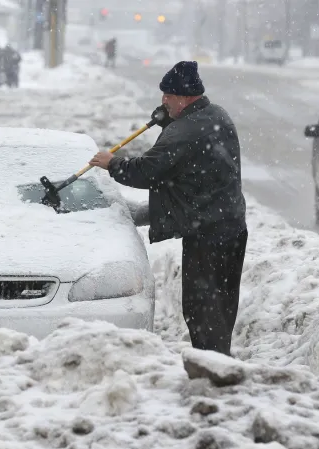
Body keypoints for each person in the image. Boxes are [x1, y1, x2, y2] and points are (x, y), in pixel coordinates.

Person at [88, 61, 248, 356]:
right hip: (230, 226)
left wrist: (113, 163)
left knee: (202, 310)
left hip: (206, 234)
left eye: (168, 96)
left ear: (184, 97)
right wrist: (170, 122)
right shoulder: (216, 115)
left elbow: (147, 171)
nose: (163, 100)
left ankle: (211, 366)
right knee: (221, 306)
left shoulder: (185, 131)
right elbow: (188, 157)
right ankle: (219, 359)